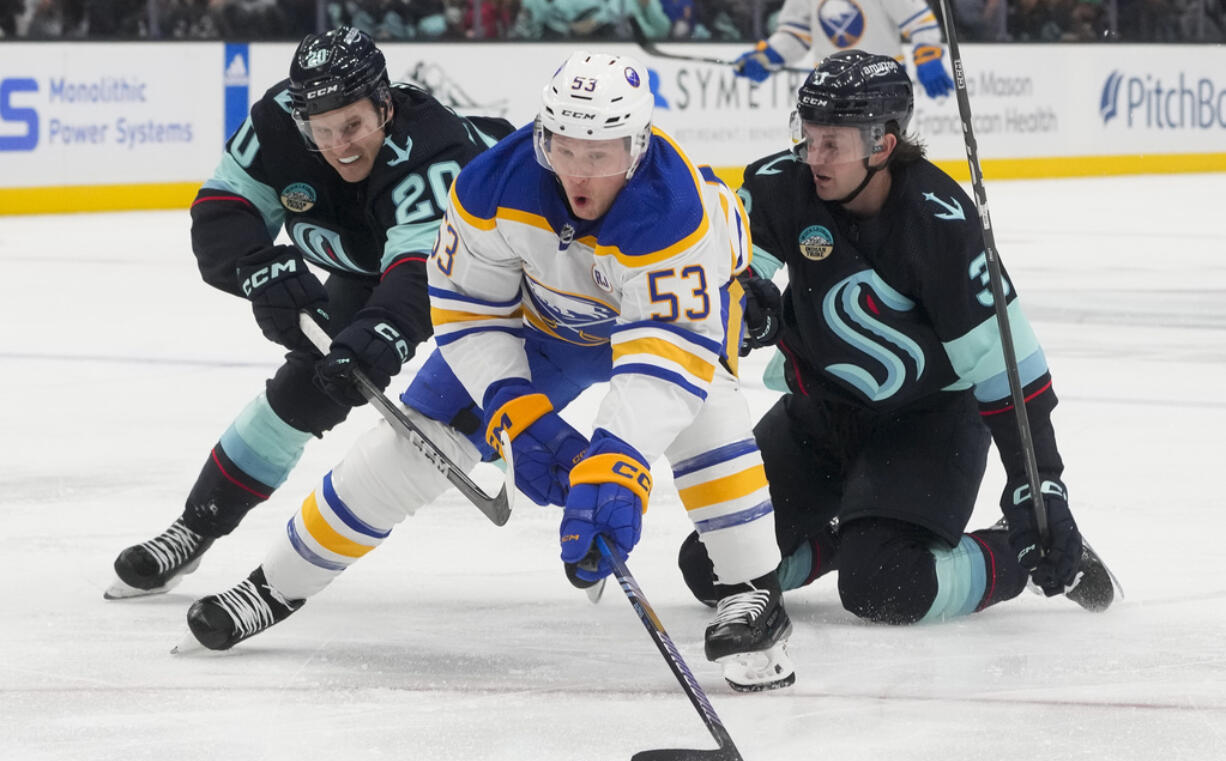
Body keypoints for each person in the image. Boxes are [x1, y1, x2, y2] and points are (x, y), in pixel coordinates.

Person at [180, 50, 796, 694]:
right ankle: (275, 585)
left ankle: (754, 593)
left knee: (705, 418)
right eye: (564, 150)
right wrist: (518, 413)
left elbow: (663, 361)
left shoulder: (676, 210)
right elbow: (468, 311)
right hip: (547, 328)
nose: (579, 176)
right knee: (413, 445)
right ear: (540, 139)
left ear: (638, 147)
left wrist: (619, 460)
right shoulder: (489, 184)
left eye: (601, 155)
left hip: (675, 321)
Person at [679, 50, 1118, 626]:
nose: (814, 156)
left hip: (928, 422)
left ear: (882, 146)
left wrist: (1040, 490)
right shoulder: (779, 185)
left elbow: (1005, 367)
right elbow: (733, 271)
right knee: (714, 568)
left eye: (831, 143)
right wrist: (745, 306)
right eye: (806, 136)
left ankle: (1011, 549)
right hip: (822, 414)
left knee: (886, 586)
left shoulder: (940, 222)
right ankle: (846, 535)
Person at [104, 26, 512, 600]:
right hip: (377, 259)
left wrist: (379, 334)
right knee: (311, 384)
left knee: (527, 384)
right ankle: (195, 526)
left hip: (505, 259)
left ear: (385, 106)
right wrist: (259, 268)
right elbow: (224, 207)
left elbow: (424, 273)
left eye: (354, 125)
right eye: (322, 131)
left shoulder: (432, 151)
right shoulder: (275, 124)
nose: (340, 145)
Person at [731, 0, 956, 99]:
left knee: (884, 161)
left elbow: (919, 22)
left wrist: (927, 56)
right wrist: (767, 56)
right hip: (828, 86)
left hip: (881, 85)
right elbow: (795, 34)